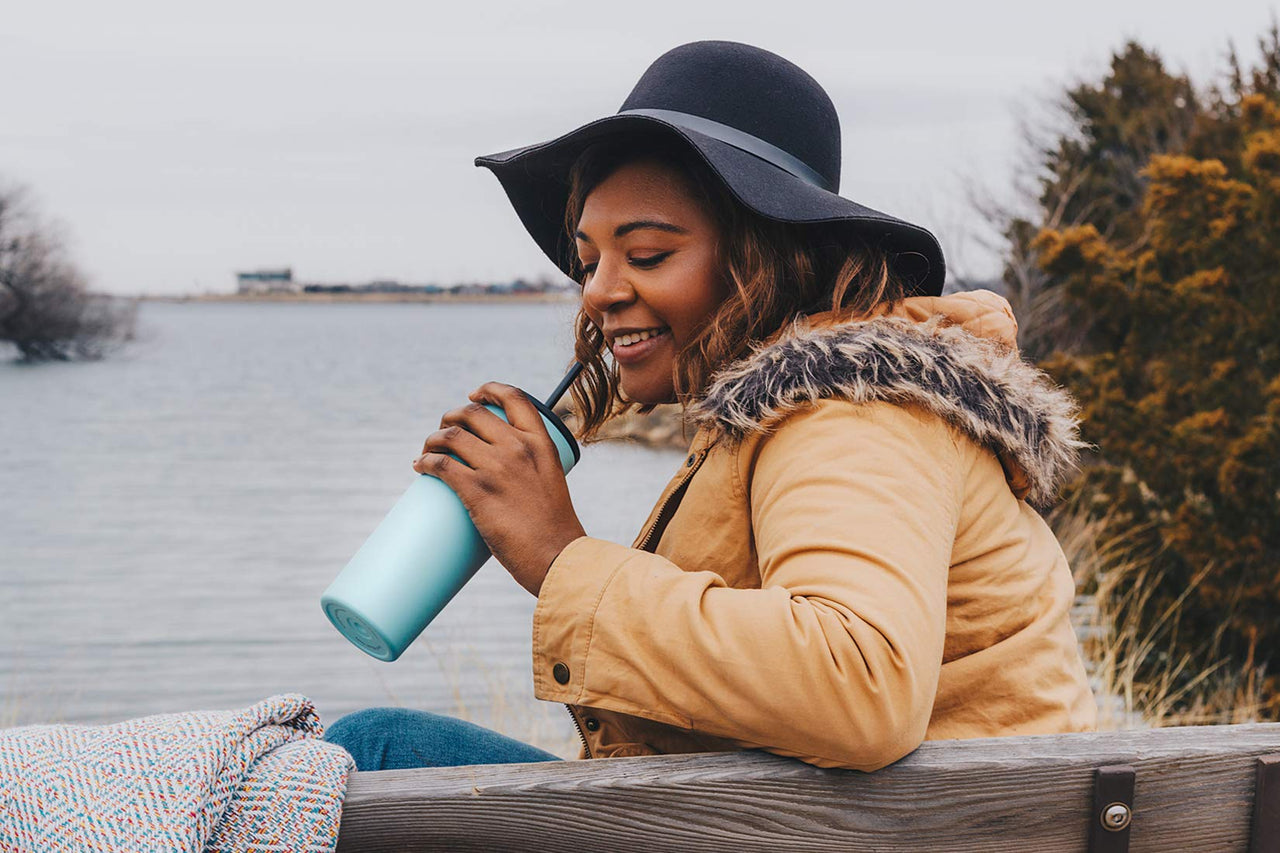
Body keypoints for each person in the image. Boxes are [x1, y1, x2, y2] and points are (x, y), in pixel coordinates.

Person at [324, 40, 1096, 772]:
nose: (597, 290)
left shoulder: (855, 412)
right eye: (589, 260)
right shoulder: (774, 418)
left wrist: (559, 557)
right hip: (820, 828)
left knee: (376, 748)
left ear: (766, 253)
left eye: (648, 254)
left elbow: (863, 682)